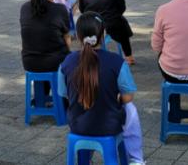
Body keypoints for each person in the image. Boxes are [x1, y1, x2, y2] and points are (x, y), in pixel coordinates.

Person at [58, 12, 144, 165]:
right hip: (109, 126)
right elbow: (128, 97)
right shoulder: (116, 62)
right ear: (103, 34)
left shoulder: (67, 62)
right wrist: (117, 98)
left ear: (78, 36)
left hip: (78, 126)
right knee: (130, 109)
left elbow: (63, 93)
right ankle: (136, 159)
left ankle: (85, 160)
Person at [20, 0, 71, 75]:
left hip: (29, 63)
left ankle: (40, 85)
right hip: (55, 62)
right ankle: (61, 85)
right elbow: (67, 39)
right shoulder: (60, 9)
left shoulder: (24, 8)